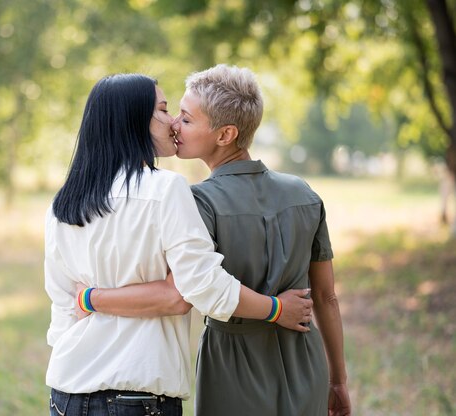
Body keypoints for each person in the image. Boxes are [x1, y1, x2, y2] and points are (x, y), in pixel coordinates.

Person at [76, 65, 352, 416]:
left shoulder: (196, 202)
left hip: (232, 362)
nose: (174, 124)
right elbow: (327, 297)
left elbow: (181, 292)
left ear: (225, 135)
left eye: (187, 120)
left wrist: (89, 297)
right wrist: (337, 381)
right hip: (305, 360)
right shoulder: (304, 194)